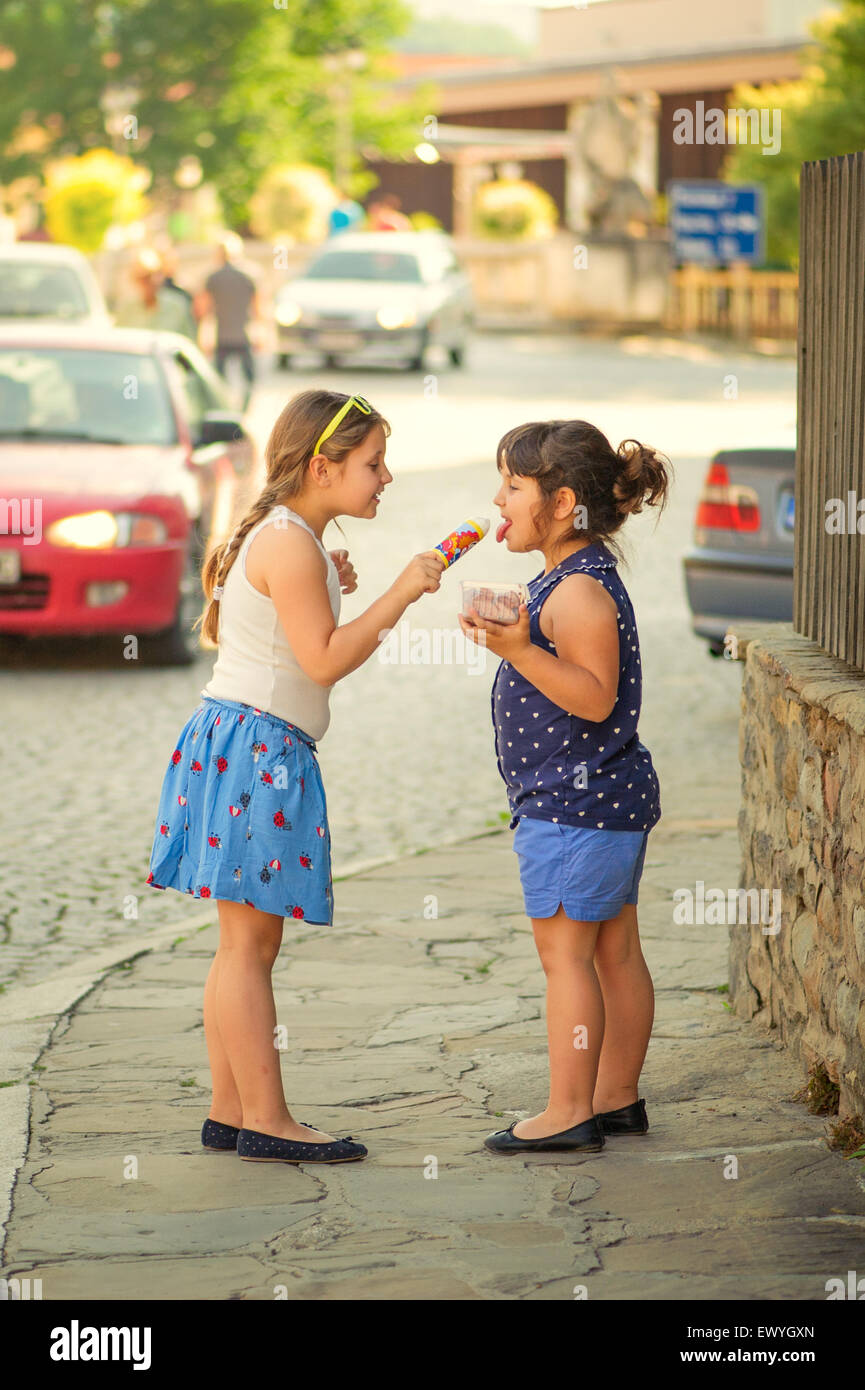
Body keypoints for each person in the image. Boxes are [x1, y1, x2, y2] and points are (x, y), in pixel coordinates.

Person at [145, 390, 446, 1165]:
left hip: (234, 740)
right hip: (259, 753)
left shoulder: (289, 537)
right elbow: (322, 661)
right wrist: (399, 593)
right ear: (322, 466)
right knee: (249, 949)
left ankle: (229, 1108)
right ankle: (267, 1121)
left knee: (236, 945)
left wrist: (334, 578)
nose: (385, 477)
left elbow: (288, 629)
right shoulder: (288, 543)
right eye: (372, 463)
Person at [459, 419, 671, 1155]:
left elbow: (593, 697)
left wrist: (516, 649)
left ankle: (567, 1111)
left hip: (574, 808)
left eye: (511, 487)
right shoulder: (565, 578)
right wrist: (512, 637)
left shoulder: (577, 590)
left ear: (560, 503)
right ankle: (616, 1098)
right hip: (598, 804)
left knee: (566, 958)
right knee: (612, 951)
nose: (498, 498)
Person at [196, 234, 261, 411]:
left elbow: (203, 310)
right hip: (243, 334)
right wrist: (260, 333)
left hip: (222, 335)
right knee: (248, 378)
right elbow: (258, 309)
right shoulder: (249, 275)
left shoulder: (213, 278)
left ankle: (223, 408)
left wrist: (204, 336)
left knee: (219, 379)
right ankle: (243, 410)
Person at [116, 248, 197, 339]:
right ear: (137, 280)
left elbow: (188, 340)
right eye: (145, 278)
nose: (151, 281)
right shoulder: (127, 307)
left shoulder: (177, 305)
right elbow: (119, 338)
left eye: (155, 275)